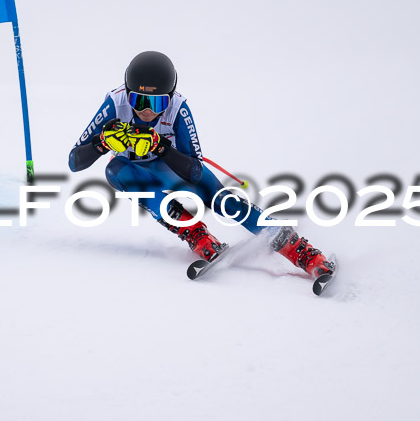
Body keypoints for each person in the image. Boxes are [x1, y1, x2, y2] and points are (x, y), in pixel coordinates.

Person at [68, 51, 335, 279]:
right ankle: (198, 236)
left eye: (158, 102)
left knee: (224, 203)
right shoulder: (115, 103)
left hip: (170, 166)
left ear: (170, 97)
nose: (147, 110)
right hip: (134, 170)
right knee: (114, 171)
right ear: (127, 94)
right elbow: (75, 162)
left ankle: (300, 250)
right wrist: (101, 143)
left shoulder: (178, 108)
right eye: (139, 100)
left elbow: (194, 171)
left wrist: (160, 147)